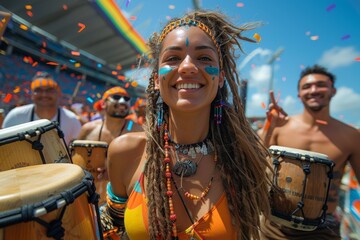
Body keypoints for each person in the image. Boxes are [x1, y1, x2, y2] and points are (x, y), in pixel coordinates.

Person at [101, 10, 272, 240]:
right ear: (155, 79)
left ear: (220, 77)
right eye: (173, 58)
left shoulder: (245, 161)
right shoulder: (126, 152)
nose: (188, 67)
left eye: (204, 58)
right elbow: (111, 228)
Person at [258, 64, 360, 239]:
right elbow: (253, 166)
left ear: (333, 90)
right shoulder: (279, 127)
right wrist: (269, 128)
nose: (313, 90)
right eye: (306, 87)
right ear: (299, 94)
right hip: (273, 227)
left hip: (323, 229)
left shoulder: (351, 135)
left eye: (320, 85)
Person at [2, 71, 82, 145]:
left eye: (49, 90)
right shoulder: (15, 116)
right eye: (38, 90)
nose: (44, 94)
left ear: (58, 93)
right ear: (32, 94)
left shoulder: (72, 120)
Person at [77, 86, 143, 143]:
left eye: (126, 99)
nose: (122, 101)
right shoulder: (89, 129)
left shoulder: (137, 130)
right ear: (103, 104)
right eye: (116, 97)